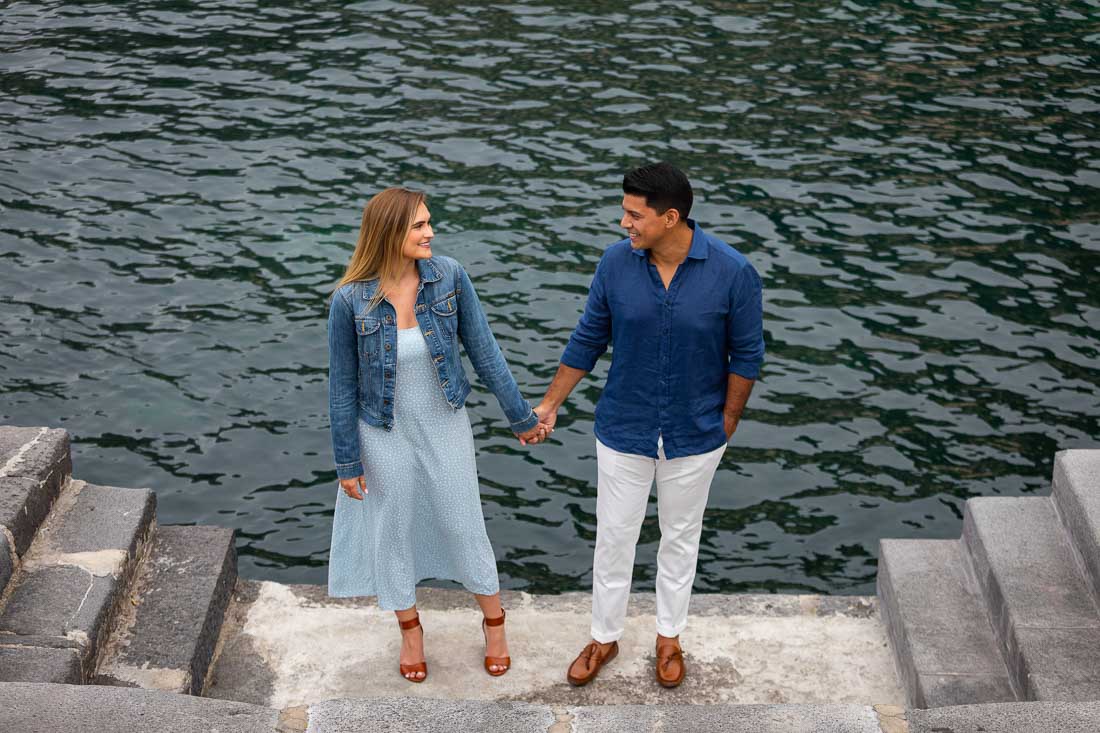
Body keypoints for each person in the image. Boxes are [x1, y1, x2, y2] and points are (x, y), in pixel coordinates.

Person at [533, 162, 765, 689]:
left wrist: (726, 421)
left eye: (635, 215)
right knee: (614, 537)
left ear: (671, 217)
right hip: (624, 426)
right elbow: (588, 338)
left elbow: (747, 355)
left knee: (680, 537)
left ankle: (669, 637)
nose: (625, 224)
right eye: (624, 212)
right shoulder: (615, 265)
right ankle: (604, 636)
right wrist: (551, 403)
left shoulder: (733, 272)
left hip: (697, 434)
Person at [326, 187, 549, 683]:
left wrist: (521, 418)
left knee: (463, 522)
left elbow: (486, 352)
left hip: (444, 423)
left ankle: (494, 622)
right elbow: (340, 387)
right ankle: (410, 630)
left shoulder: (448, 276)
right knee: (393, 532)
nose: (431, 232)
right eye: (419, 226)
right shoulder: (349, 300)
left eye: (429, 223)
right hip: (381, 433)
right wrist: (348, 463)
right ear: (389, 233)